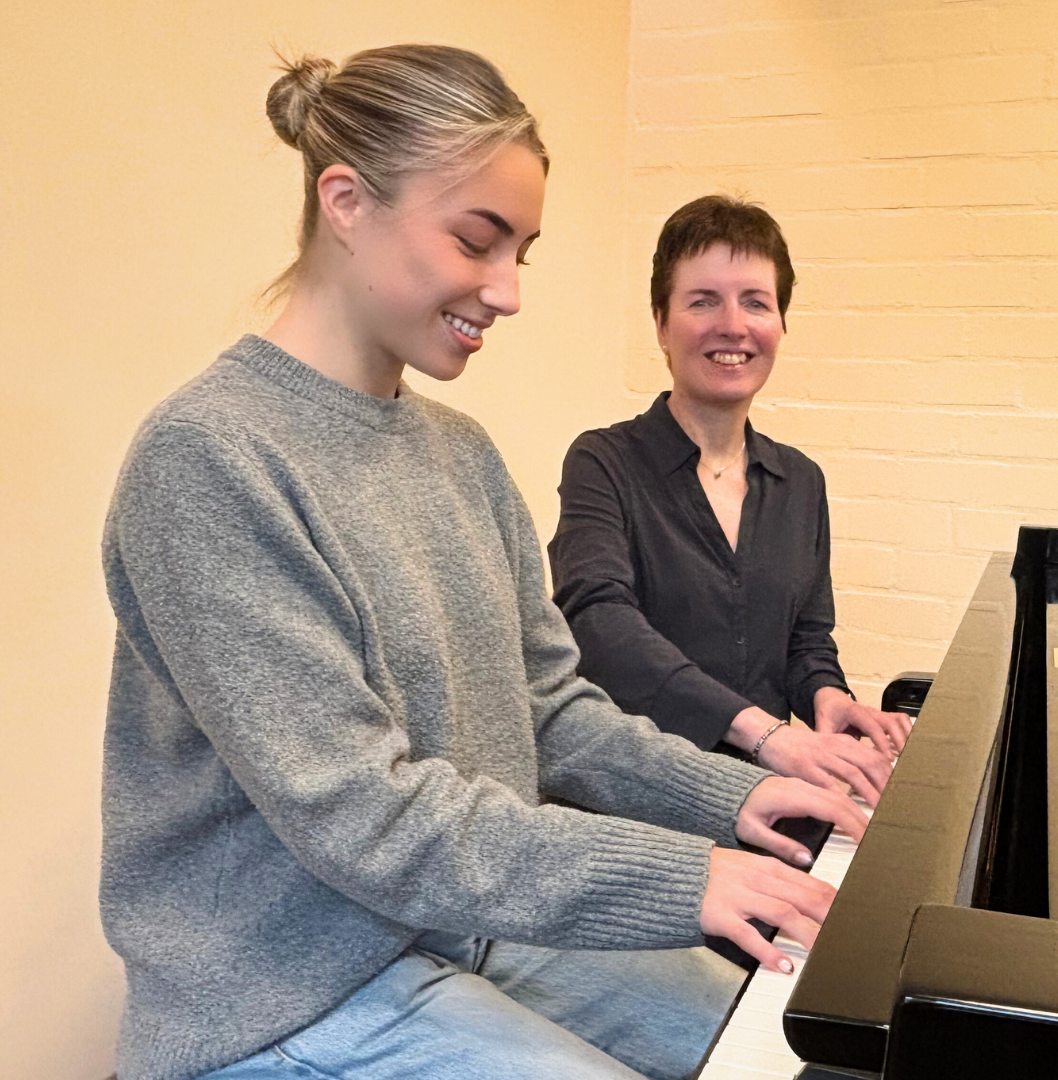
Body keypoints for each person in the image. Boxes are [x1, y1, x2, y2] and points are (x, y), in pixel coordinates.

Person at [99, 46, 861, 1080]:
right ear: (347, 202)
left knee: (782, 1050)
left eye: (523, 253)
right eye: (477, 241)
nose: (506, 292)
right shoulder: (210, 458)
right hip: (291, 988)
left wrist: (732, 796)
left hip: (468, 922)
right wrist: (687, 876)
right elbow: (366, 814)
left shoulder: (460, 453)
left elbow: (549, 709)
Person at [549, 196, 913, 807]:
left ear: (780, 324)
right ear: (662, 324)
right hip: (637, 801)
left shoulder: (801, 481)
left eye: (755, 302)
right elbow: (600, 627)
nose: (733, 325)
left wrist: (827, 697)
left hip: (766, 796)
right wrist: (764, 733)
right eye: (703, 301)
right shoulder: (602, 462)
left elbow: (806, 642)